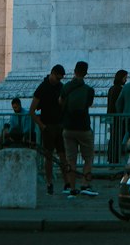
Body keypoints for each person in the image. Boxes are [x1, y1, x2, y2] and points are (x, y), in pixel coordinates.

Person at [30, 62, 69, 195]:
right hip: (48, 126)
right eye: (57, 78)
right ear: (52, 74)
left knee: (63, 156)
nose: (59, 81)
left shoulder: (61, 87)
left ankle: (66, 182)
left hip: (59, 125)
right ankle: (49, 182)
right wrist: (42, 126)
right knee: (49, 157)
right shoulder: (42, 88)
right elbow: (32, 111)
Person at [61, 61, 97, 198]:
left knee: (71, 160)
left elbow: (61, 102)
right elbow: (88, 104)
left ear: (74, 71)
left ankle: (72, 188)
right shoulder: (89, 90)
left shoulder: (66, 87)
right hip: (83, 127)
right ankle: (85, 185)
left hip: (68, 127)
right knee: (88, 158)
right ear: (86, 73)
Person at [106, 70, 128, 164]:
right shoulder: (120, 89)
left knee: (113, 137)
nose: (126, 79)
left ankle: (111, 157)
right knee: (117, 138)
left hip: (111, 116)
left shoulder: (112, 88)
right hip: (118, 117)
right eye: (125, 77)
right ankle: (114, 158)